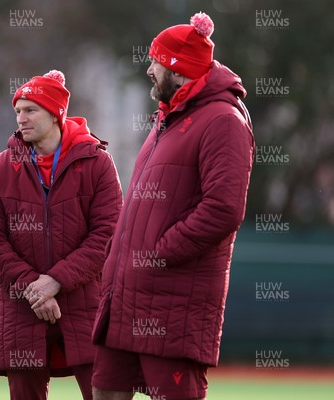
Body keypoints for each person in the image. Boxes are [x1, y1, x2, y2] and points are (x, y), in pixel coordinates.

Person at [91, 12, 255, 400]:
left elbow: (223, 209)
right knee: (105, 393)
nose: (150, 69)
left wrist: (161, 253)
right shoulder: (168, 118)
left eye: (157, 62)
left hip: (173, 305)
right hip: (125, 299)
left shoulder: (223, 120)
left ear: (178, 71)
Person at [0, 70, 123, 400]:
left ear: (56, 113)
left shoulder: (97, 163)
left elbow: (108, 236)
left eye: (30, 110)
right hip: (21, 307)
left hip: (85, 304)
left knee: (105, 395)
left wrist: (56, 280)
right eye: (17, 111)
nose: (21, 119)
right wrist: (33, 288)